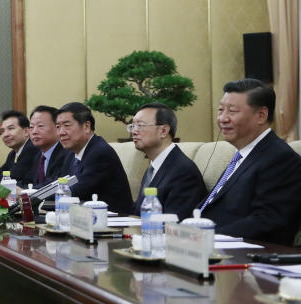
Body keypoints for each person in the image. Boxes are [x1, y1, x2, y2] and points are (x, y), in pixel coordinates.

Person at [199, 79, 301, 245]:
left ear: (261, 115)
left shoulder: (280, 159)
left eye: (232, 111)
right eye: (220, 110)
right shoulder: (241, 155)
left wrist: (207, 238)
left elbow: (267, 222)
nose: (223, 119)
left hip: (242, 256)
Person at [129, 103, 204, 219]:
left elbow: (175, 223)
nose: (133, 131)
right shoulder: (152, 169)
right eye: (132, 126)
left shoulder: (183, 172)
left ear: (163, 131)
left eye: (140, 125)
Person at [56, 102, 133, 214]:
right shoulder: (71, 153)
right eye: (58, 127)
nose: (61, 132)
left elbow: (74, 191)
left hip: (111, 224)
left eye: (67, 126)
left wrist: (37, 196)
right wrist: (31, 193)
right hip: (84, 219)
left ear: (87, 126)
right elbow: (59, 183)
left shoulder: (100, 152)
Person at [0, 110, 37, 182]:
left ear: (26, 132)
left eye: (11, 128)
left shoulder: (32, 149)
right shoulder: (12, 154)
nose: (5, 135)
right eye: (2, 131)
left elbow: (3, 184)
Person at [23, 105, 71, 188]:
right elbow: (28, 182)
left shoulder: (67, 153)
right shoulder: (38, 156)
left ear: (57, 128)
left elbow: (56, 185)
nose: (34, 132)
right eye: (31, 127)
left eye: (40, 126)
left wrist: (24, 192)